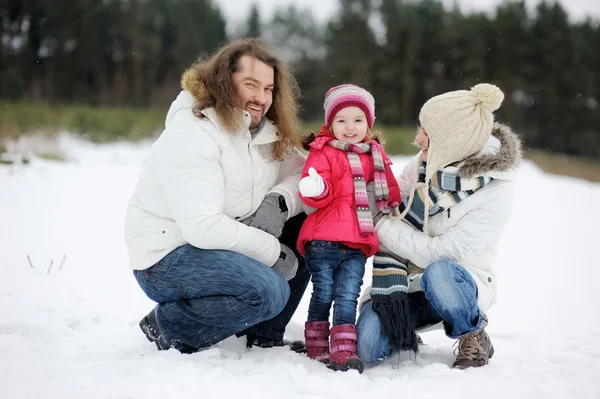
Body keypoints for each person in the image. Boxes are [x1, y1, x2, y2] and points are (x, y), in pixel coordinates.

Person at [124, 38, 310, 353]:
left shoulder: (263, 132)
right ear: (224, 81)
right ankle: (169, 324)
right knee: (268, 291)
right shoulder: (194, 131)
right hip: (166, 255)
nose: (260, 98)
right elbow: (202, 227)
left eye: (268, 89)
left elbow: (305, 174)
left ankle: (265, 335)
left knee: (308, 223)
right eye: (251, 84)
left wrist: (277, 202)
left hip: (218, 242)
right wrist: (272, 251)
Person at [356, 83, 522, 369]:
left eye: (427, 134)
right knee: (368, 346)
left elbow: (438, 252)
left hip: (458, 283)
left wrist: (382, 226)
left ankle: (472, 331)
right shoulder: (424, 165)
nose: (418, 139)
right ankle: (404, 325)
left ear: (452, 141)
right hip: (406, 283)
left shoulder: (495, 191)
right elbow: (388, 203)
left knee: (440, 273)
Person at [296, 84, 401, 373]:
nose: (350, 127)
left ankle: (343, 350)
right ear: (330, 123)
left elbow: (388, 187)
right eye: (341, 120)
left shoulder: (374, 156)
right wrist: (316, 187)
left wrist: (392, 202)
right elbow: (316, 189)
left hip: (356, 241)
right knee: (324, 291)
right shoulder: (323, 152)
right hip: (324, 240)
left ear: (369, 123)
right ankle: (316, 343)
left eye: (358, 120)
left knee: (347, 294)